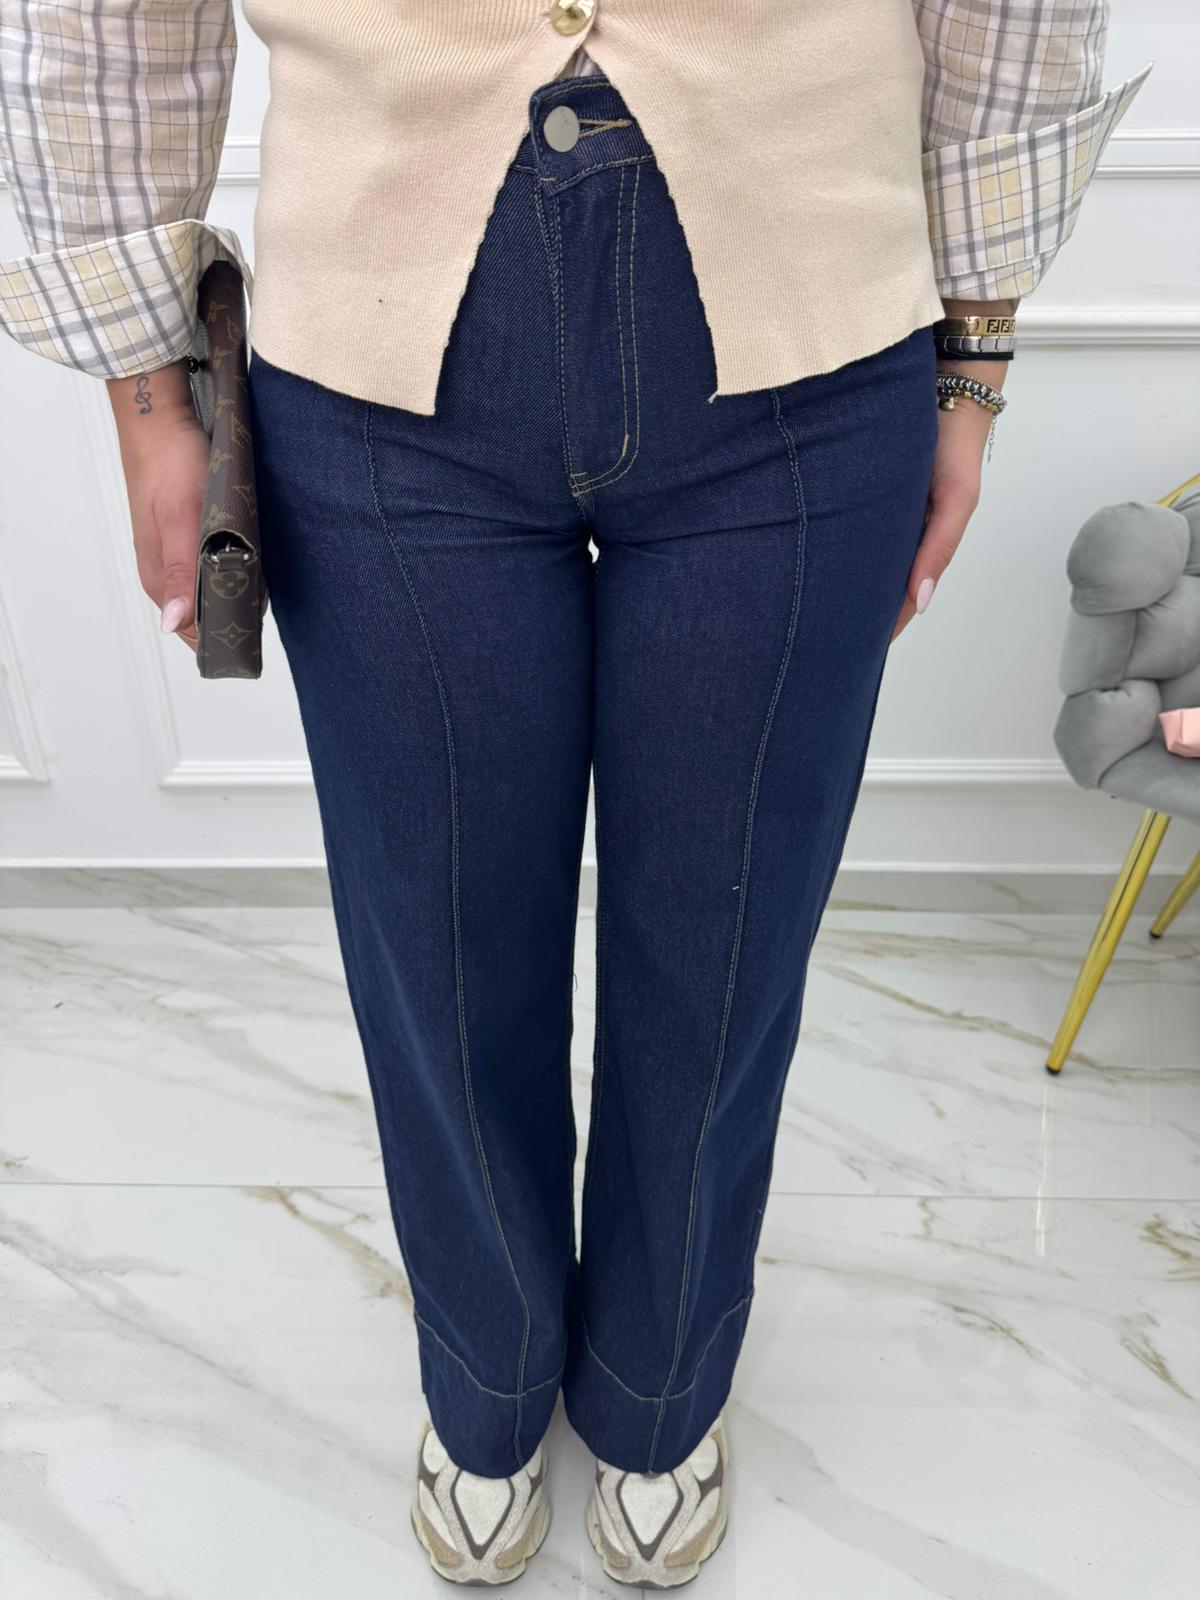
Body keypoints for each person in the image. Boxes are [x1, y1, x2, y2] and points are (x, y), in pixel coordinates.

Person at [0, 1, 1150, 1587]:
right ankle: (485, 1373)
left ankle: (660, 1384)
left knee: (726, 940)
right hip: (378, 335)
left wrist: (975, 359)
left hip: (812, 332)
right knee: (438, 935)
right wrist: (147, 394)